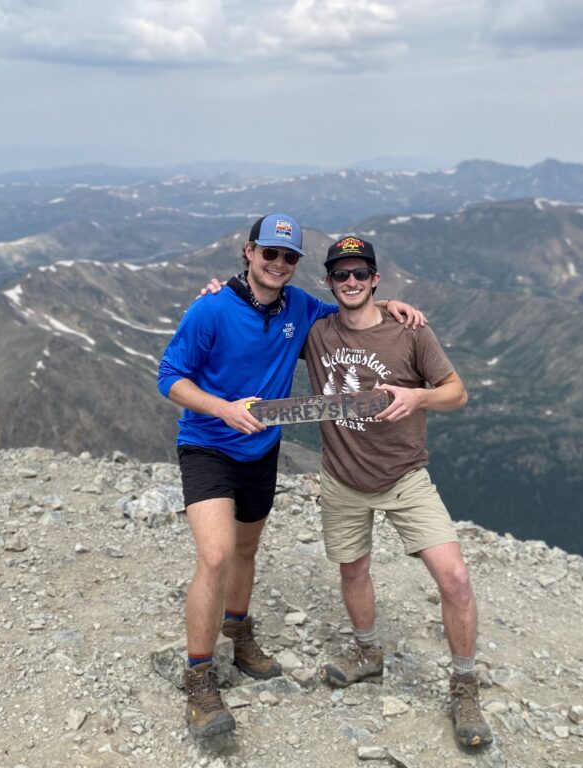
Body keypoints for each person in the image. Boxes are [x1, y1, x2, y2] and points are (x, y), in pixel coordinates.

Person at [157, 214, 424, 737]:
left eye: (289, 257)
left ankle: (239, 629)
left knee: (247, 550)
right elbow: (170, 377)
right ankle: (200, 676)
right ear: (248, 252)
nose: (278, 264)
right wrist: (222, 409)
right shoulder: (210, 309)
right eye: (269, 253)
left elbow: (349, 316)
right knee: (215, 554)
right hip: (208, 444)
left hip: (261, 450)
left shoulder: (300, 308)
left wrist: (388, 304)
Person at [302, 235, 494, 748]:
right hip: (342, 476)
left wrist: (418, 397)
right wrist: (216, 291)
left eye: (359, 274)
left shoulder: (410, 333)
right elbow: (262, 312)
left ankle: (464, 684)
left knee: (453, 578)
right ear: (329, 282)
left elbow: (457, 393)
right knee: (353, 569)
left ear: (375, 278)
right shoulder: (316, 331)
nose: (350, 282)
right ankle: (367, 652)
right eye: (340, 275)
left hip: (406, 476)